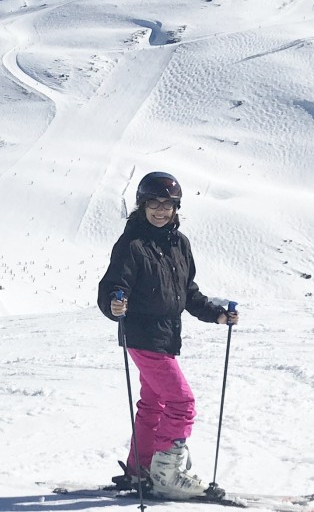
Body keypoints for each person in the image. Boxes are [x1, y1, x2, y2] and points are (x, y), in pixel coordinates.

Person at [97, 172, 239, 500]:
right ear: (142, 205)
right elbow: (113, 285)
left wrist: (216, 314)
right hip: (142, 335)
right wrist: (115, 303)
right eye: (154, 203)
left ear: (176, 208)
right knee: (181, 402)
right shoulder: (132, 244)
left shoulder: (179, 243)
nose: (161, 210)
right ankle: (167, 473)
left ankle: (141, 468)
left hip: (167, 336)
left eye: (167, 204)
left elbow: (188, 292)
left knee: (155, 404)